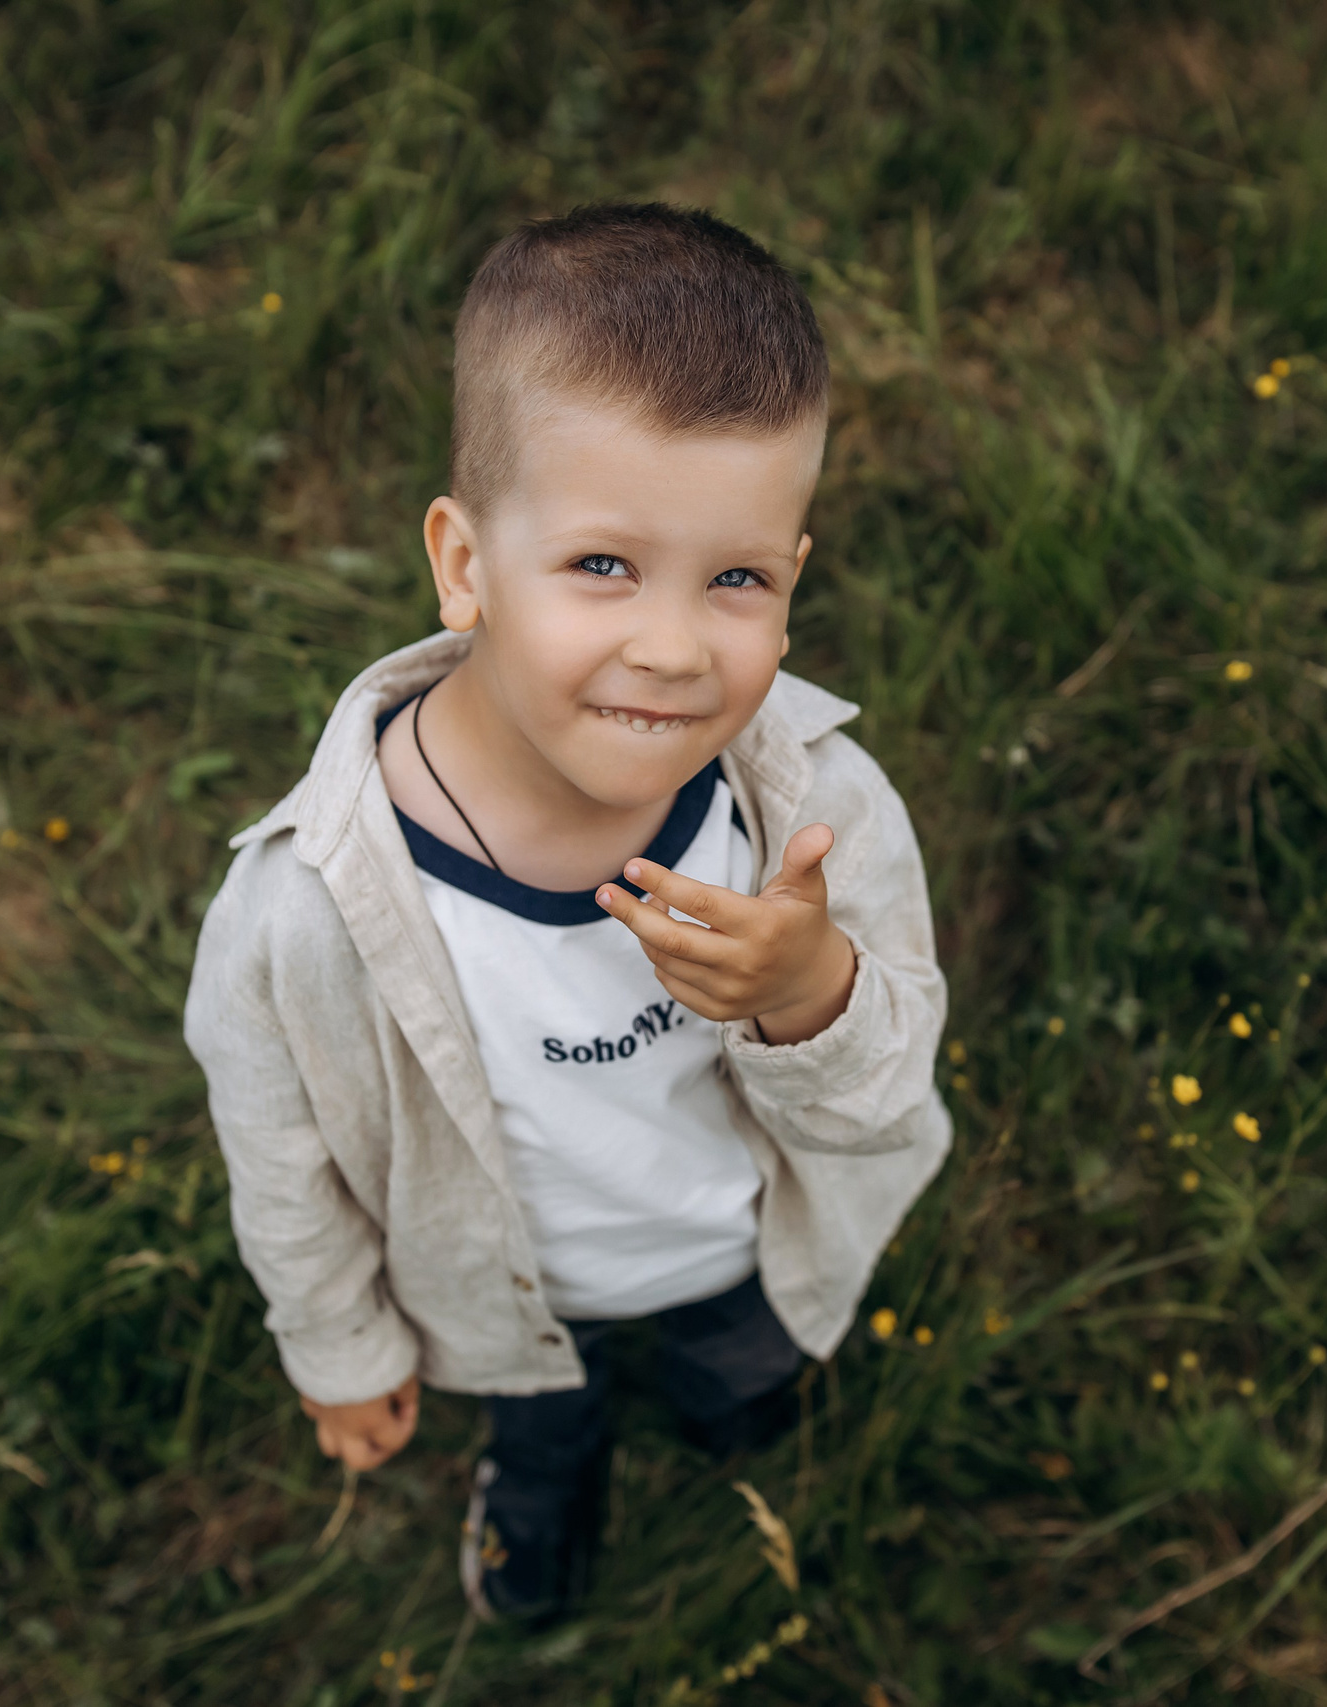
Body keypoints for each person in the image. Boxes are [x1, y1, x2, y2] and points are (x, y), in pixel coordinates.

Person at [182, 202, 950, 1623]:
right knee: (548, 1417)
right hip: (513, 1298)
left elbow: (893, 1088)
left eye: (738, 579)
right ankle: (541, 1489)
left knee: (746, 1379)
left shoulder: (811, 814)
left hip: (742, 1241)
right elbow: (282, 1163)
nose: (670, 646)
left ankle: (740, 1411)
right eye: (603, 565)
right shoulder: (305, 911)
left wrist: (810, 989)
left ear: (795, 573)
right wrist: (340, 1346)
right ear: (465, 565)